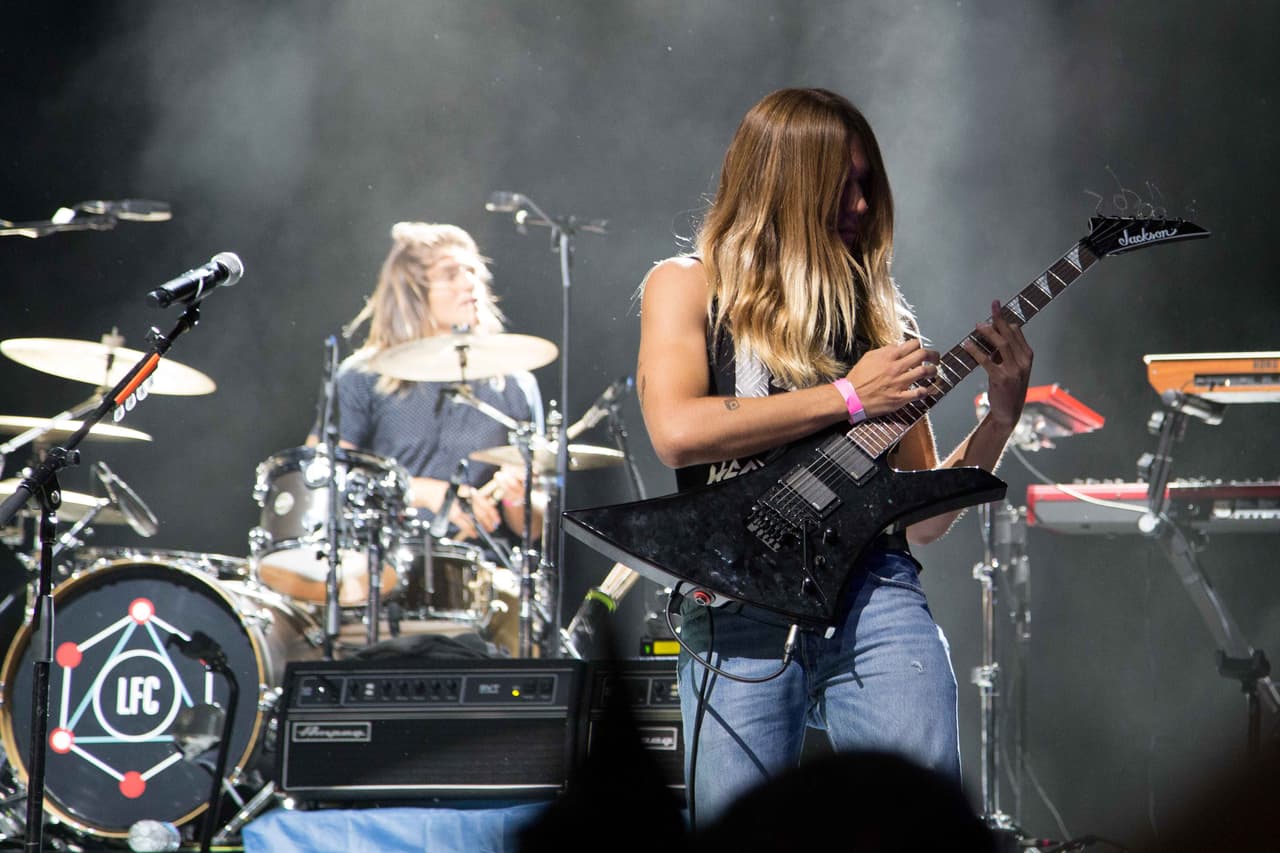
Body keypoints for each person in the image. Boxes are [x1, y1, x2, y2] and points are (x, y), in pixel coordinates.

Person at [636, 88, 1033, 823]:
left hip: (874, 592)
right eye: (842, 184)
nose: (859, 204)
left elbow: (922, 522)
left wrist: (1000, 417)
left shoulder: (882, 316)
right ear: (785, 184)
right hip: (740, 602)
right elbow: (677, 430)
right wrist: (850, 397)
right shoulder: (686, 284)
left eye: (865, 183)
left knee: (921, 822)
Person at [310, 221, 542, 549]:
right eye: (450, 274)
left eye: (473, 272)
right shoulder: (363, 376)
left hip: (480, 572)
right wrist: (427, 492)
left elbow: (532, 530)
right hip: (382, 562)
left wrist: (517, 499)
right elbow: (318, 478)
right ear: (413, 291)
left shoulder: (514, 383)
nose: (469, 284)